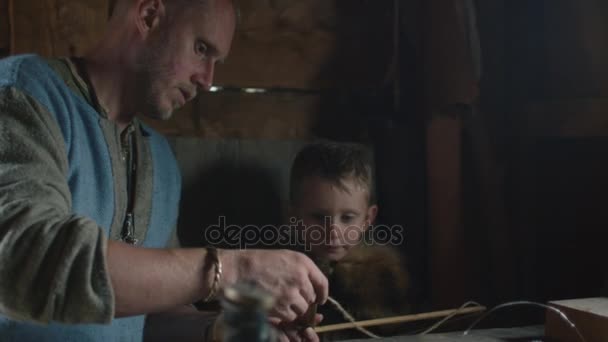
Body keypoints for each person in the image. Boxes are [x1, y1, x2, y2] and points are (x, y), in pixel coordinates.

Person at [0, 0, 327, 341]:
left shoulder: (161, 162)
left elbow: (155, 315)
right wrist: (234, 268)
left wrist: (221, 330)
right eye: (201, 48)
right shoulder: (21, 95)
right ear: (148, 16)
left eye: (217, 62)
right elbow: (26, 258)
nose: (207, 79)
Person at [288, 141, 410, 340]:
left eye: (347, 218)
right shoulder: (282, 277)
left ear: (367, 219)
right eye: (319, 217)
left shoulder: (385, 281)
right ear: (294, 217)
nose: (333, 232)